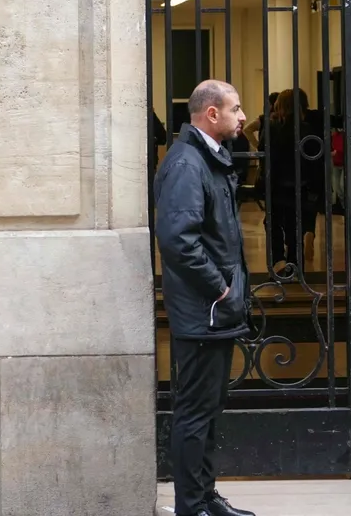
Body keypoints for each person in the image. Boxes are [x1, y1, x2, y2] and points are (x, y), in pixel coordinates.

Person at [154, 79, 255, 516]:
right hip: (203, 311)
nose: (243, 116)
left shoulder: (207, 158)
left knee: (208, 411)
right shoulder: (186, 163)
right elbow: (178, 240)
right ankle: (191, 505)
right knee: (195, 413)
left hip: (214, 312)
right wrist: (221, 287)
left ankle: (206, 497)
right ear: (212, 114)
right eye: (235, 108)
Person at [264, 89, 322, 268]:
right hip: (301, 185)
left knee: (272, 222)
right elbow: (315, 159)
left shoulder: (274, 129)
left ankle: (278, 259)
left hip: (278, 185)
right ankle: (295, 264)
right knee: (294, 226)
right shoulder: (307, 130)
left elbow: (265, 154)